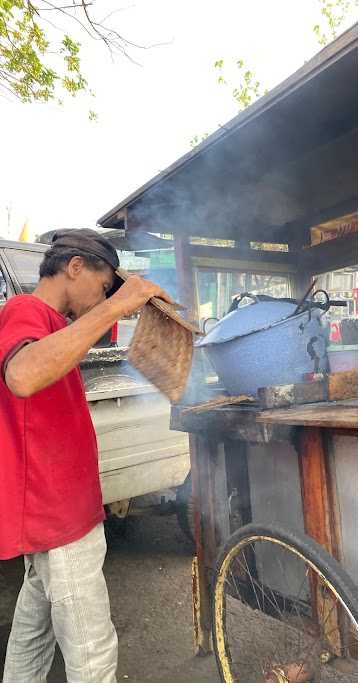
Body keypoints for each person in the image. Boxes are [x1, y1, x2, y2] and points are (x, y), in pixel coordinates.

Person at [1, 229, 172, 682]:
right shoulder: (25, 309)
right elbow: (21, 374)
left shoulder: (59, 324)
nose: (100, 301)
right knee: (91, 649)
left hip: (59, 508)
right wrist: (117, 304)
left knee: (32, 633)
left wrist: (121, 302)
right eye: (100, 288)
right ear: (75, 267)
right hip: (56, 511)